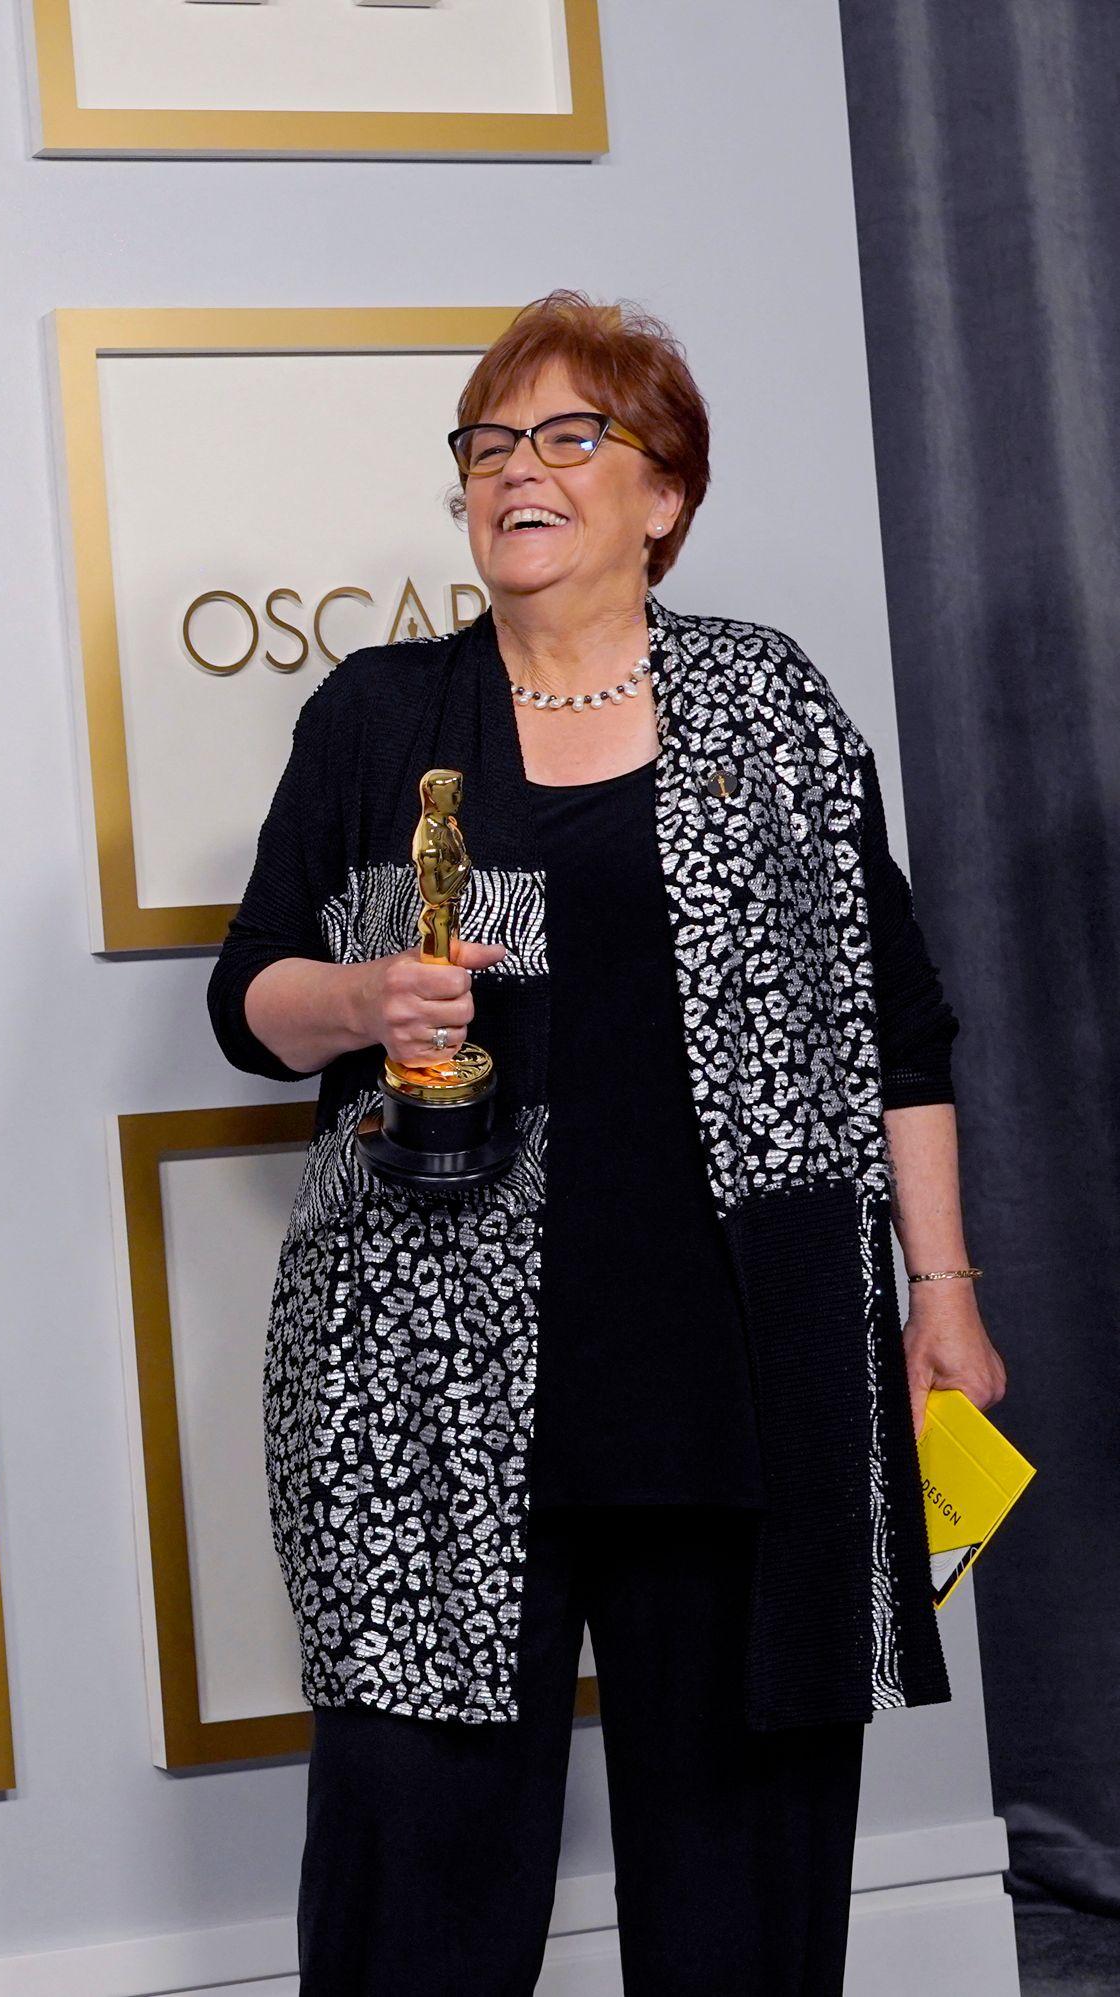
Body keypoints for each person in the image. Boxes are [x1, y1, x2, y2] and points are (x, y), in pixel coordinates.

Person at [207, 292, 1008, 1995]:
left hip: (741, 1381)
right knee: (411, 1898)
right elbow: (248, 999)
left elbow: (899, 1027)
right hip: (422, 1392)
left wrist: (940, 1289)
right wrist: (366, 1001)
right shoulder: (378, 717)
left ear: (665, 497)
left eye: (571, 437)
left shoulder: (770, 710)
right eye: (490, 444)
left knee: (744, 1904)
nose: (519, 471)